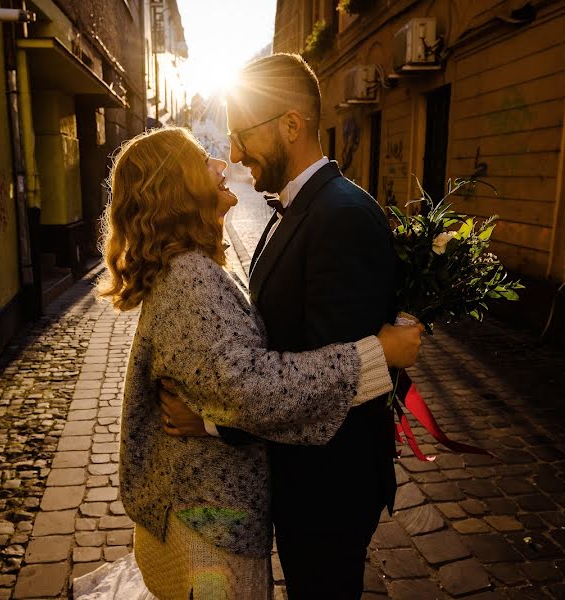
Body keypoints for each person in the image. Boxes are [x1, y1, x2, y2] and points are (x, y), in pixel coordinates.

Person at [79, 126, 423, 600]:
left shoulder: (189, 266)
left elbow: (226, 382)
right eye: (204, 160)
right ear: (174, 187)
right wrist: (376, 355)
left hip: (210, 515)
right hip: (210, 525)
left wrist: (207, 418)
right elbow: (248, 388)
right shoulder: (189, 280)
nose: (224, 163)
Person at [160, 53, 400, 599]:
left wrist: (215, 422)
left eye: (243, 135)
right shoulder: (295, 209)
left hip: (329, 486)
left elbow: (330, 381)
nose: (237, 154)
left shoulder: (340, 216)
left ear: (291, 125)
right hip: (300, 475)